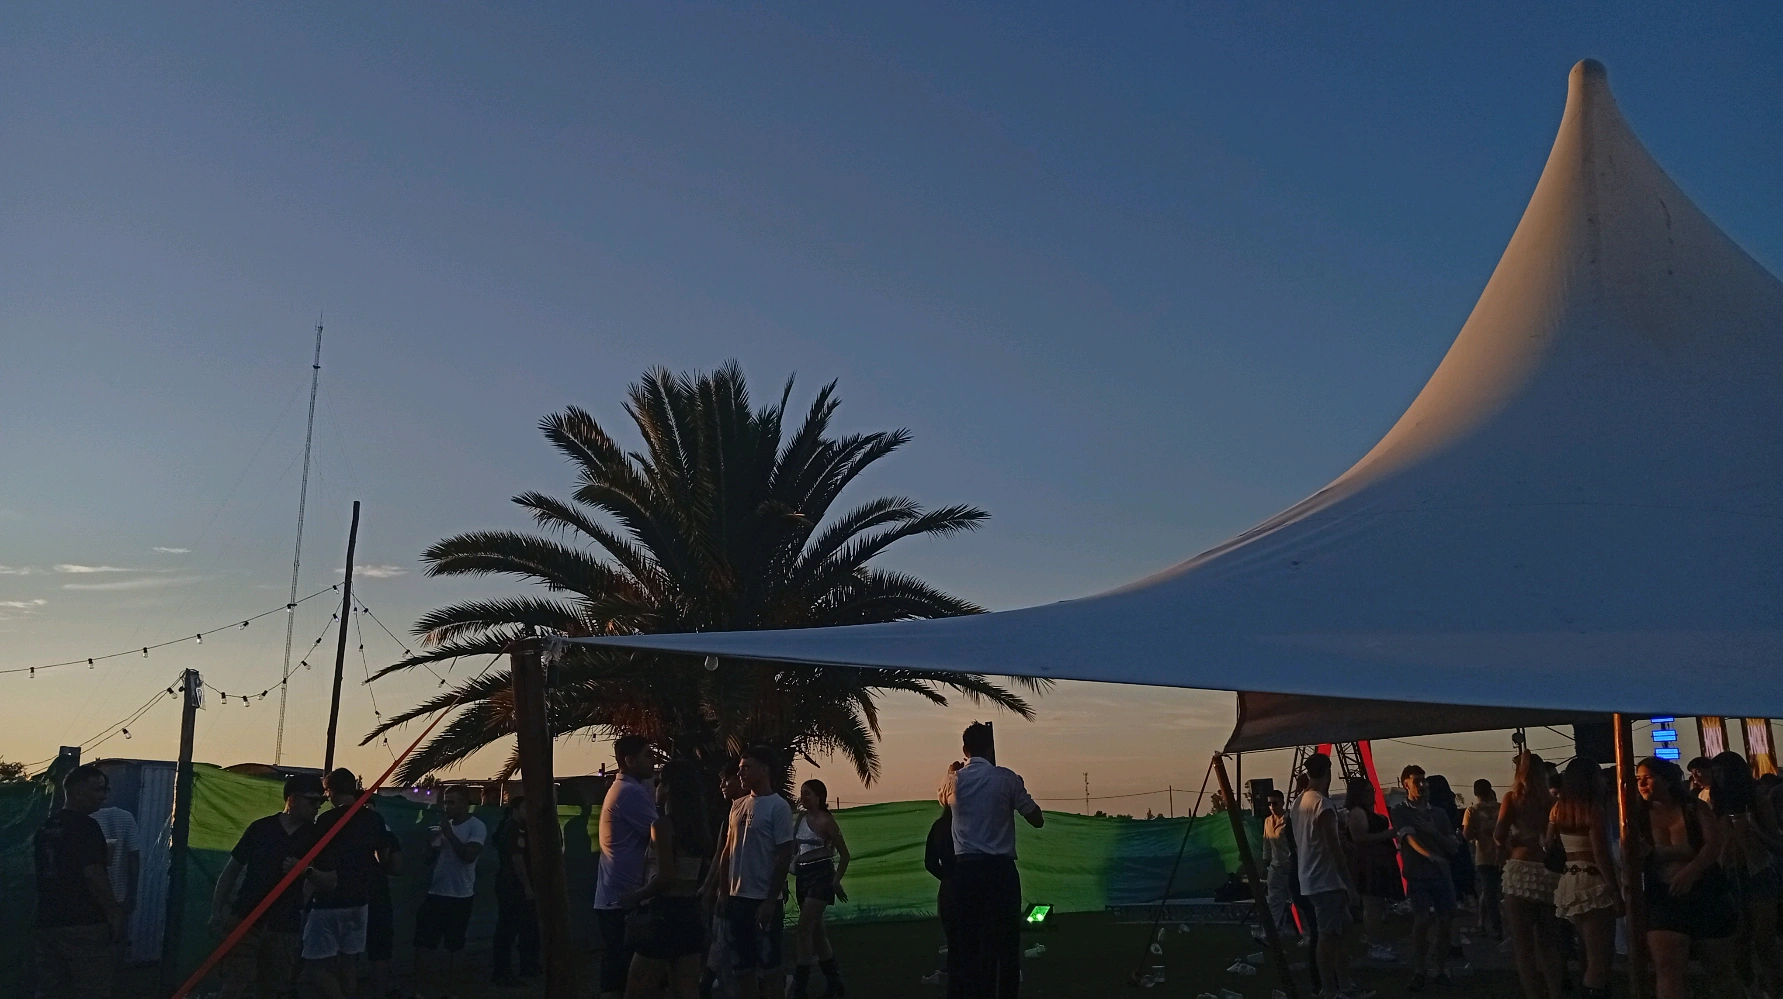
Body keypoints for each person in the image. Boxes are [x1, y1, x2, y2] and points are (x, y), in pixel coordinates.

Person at [938, 723, 1044, 999]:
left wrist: (951, 772)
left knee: (969, 945)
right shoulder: (1006, 779)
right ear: (991, 747)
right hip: (1000, 872)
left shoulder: (954, 781)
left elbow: (943, 800)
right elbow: (1036, 819)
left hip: (966, 872)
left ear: (965, 750)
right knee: (1007, 945)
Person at [212, 774, 337, 999]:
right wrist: (216, 911)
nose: (317, 807)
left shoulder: (315, 837)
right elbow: (231, 871)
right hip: (246, 918)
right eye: (313, 801)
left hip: (284, 925)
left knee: (273, 988)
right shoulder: (261, 829)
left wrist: (305, 871)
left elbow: (331, 881)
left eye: (321, 801)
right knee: (235, 985)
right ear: (293, 799)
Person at [1637, 756, 1739, 999]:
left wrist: (1691, 870)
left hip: (1706, 893)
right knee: (1667, 968)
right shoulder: (1637, 815)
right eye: (1638, 778)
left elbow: (1713, 844)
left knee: (1720, 969)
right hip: (1664, 897)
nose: (1641, 784)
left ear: (1666, 780)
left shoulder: (1694, 808)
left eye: (1648, 778)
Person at [622, 760, 712, 999]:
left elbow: (666, 876)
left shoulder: (662, 826)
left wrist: (636, 896)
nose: (656, 788)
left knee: (637, 989)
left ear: (670, 787)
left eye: (660, 782)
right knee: (686, 990)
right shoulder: (698, 827)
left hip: (664, 916)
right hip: (690, 914)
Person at [34, 764, 125, 999]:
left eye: (105, 790)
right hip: (84, 923)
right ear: (77, 792)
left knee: (52, 990)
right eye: (97, 790)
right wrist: (114, 912)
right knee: (91, 989)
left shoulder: (46, 827)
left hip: (48, 922)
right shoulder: (86, 827)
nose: (103, 796)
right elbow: (93, 875)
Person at [714, 746, 796, 999]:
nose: (741, 773)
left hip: (762, 900)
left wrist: (771, 900)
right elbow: (727, 851)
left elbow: (784, 856)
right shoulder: (737, 806)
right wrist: (723, 891)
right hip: (736, 899)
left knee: (771, 969)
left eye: (746, 768)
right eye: (740, 769)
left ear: (765, 770)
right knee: (743, 969)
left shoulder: (778, 807)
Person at [305, 768, 391, 999]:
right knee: (349, 963)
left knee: (315, 966)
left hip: (329, 900)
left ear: (331, 790)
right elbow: (384, 857)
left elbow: (315, 860)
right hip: (360, 900)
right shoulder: (374, 819)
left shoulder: (326, 820)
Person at [1290, 753, 1369, 999]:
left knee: (1339, 932)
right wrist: (1350, 886)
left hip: (1310, 876)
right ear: (1328, 772)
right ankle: (1330, 989)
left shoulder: (1299, 802)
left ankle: (1345, 985)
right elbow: (1334, 848)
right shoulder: (1322, 805)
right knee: (1327, 936)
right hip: (1326, 879)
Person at [1710, 751, 1783, 999]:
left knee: (1764, 940)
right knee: (1738, 940)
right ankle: (1751, 990)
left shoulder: (1756, 800)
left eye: (1722, 772)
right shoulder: (1714, 802)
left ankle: (1773, 989)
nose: (1718, 777)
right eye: (1715, 772)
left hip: (1757, 871)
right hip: (1729, 873)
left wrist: (1752, 830)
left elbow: (1775, 841)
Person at [1545, 759, 1620, 999]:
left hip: (1570, 877)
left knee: (1587, 949)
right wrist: (1615, 889)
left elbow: (1548, 843)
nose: (1603, 780)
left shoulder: (1558, 809)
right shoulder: (1593, 809)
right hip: (1593, 880)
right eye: (1598, 776)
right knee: (1600, 958)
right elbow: (1601, 853)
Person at [1494, 753, 1563, 999]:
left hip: (1520, 868)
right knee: (1549, 943)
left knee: (1523, 946)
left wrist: (1510, 842)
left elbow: (1499, 834)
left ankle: (1534, 993)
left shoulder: (1512, 798)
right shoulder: (1552, 801)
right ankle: (1556, 992)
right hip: (1546, 870)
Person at [597, 735, 658, 999]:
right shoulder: (630, 793)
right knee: (623, 973)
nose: (653, 760)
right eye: (648, 755)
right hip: (625, 897)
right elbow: (661, 834)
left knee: (619, 968)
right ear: (630, 760)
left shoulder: (625, 789)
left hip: (617, 894)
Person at [1391, 765, 1459, 991]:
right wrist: (1430, 854)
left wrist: (1433, 833)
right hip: (1418, 873)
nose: (1421, 785)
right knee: (1421, 921)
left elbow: (1453, 846)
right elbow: (1408, 837)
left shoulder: (1438, 813)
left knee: (1445, 923)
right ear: (1406, 784)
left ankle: (1440, 969)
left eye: (1423, 780)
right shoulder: (1401, 811)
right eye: (1416, 781)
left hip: (1441, 874)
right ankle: (1419, 970)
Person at [414, 785, 486, 996]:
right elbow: (427, 861)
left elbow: (469, 856)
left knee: (455, 947)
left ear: (464, 803)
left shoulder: (476, 826)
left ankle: (452, 991)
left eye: (452, 802)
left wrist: (449, 834)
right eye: (446, 802)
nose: (447, 807)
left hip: (460, 895)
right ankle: (421, 991)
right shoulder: (444, 825)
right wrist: (430, 844)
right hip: (436, 892)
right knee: (423, 944)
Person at [788, 779, 850, 999]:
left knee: (804, 929)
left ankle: (800, 986)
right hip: (803, 875)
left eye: (808, 793)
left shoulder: (827, 821)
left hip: (821, 876)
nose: (803, 797)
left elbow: (845, 855)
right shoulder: (800, 819)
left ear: (819, 797)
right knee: (817, 933)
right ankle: (835, 983)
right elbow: (794, 848)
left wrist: (836, 881)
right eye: (802, 793)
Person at [701, 764, 747, 999]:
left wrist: (714, 888)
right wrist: (710, 887)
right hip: (727, 889)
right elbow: (721, 855)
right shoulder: (729, 815)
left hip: (743, 891)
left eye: (726, 780)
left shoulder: (750, 811)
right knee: (720, 939)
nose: (722, 786)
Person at [1343, 776, 1401, 962]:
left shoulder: (1366, 812)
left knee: (1377, 905)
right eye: (1367, 792)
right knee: (1372, 906)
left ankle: (1376, 939)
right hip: (1368, 863)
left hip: (1378, 861)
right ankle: (1375, 944)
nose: (1371, 795)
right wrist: (1387, 834)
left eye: (1372, 791)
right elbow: (1359, 838)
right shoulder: (1357, 813)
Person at [491, 788, 541, 988]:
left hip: (513, 884)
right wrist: (527, 886)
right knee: (508, 929)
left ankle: (526, 966)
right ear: (515, 809)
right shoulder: (513, 829)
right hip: (512, 886)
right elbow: (516, 858)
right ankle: (502, 972)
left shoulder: (520, 828)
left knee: (525, 926)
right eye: (525, 808)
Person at [90, 801, 140, 959]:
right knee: (116, 941)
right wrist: (132, 891)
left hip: (91, 894)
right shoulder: (126, 817)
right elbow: (134, 856)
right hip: (119, 895)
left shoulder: (86, 817)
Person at [924, 800, 959, 997]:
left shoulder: (939, 826)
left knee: (952, 933)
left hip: (949, 888)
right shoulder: (971, 824)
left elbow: (929, 862)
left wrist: (946, 877)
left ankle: (953, 970)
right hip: (969, 883)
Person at [1462, 779, 1503, 942]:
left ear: (1475, 793)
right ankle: (1490, 925)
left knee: (1489, 893)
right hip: (1504, 854)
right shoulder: (1501, 808)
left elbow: (1466, 835)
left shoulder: (1472, 810)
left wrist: (1477, 833)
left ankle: (1494, 928)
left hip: (1484, 857)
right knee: (1496, 892)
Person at [1263, 790, 1303, 946]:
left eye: (1275, 803)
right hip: (1275, 867)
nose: (1272, 806)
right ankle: (1272, 933)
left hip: (1291, 866)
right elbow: (1266, 843)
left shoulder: (1289, 821)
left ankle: (1305, 933)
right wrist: (1266, 861)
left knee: (1297, 902)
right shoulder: (1268, 821)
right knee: (1274, 901)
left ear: (1282, 803)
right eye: (1269, 803)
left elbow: (1296, 844)